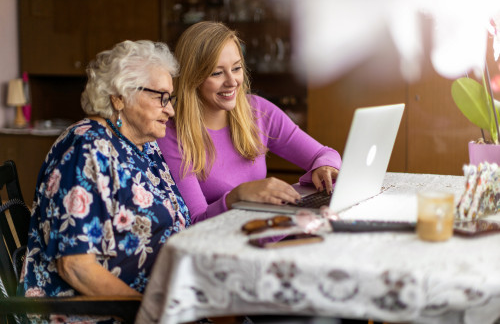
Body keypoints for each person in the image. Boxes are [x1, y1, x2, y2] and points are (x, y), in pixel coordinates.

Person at [19, 40, 190, 320]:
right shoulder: (87, 149)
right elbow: (76, 266)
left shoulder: (144, 145)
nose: (169, 110)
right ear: (119, 97)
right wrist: (150, 311)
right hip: (101, 313)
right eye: (161, 97)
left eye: (170, 98)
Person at [157, 21, 342, 223]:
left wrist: (324, 167)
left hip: (270, 232)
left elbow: (324, 154)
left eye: (236, 68)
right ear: (193, 78)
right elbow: (195, 222)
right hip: (220, 245)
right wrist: (237, 196)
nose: (232, 81)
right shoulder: (170, 132)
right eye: (217, 73)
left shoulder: (257, 110)